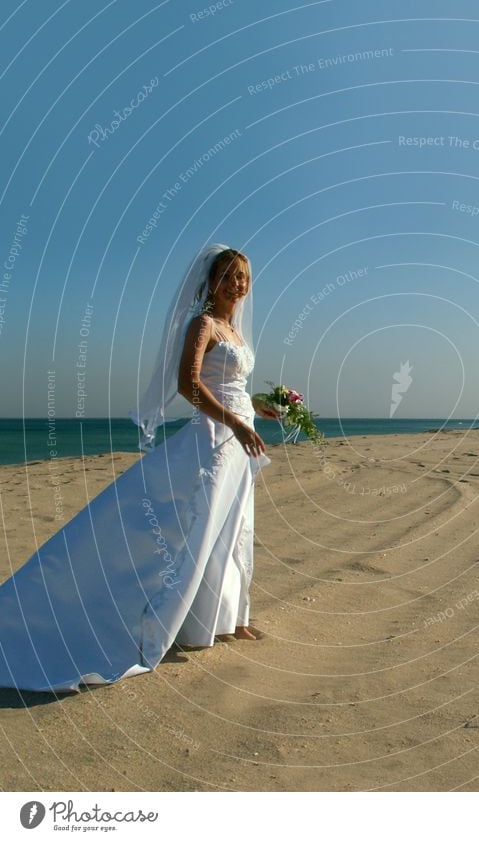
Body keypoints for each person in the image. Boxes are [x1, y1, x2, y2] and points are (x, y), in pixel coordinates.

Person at [0, 244, 280, 693]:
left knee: (233, 531)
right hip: (215, 443)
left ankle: (224, 620)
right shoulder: (203, 324)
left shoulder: (235, 331)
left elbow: (230, 385)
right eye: (228, 275)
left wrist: (259, 408)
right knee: (197, 530)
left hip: (240, 440)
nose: (237, 284)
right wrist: (233, 423)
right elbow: (188, 386)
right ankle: (164, 622)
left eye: (243, 277)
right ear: (212, 281)